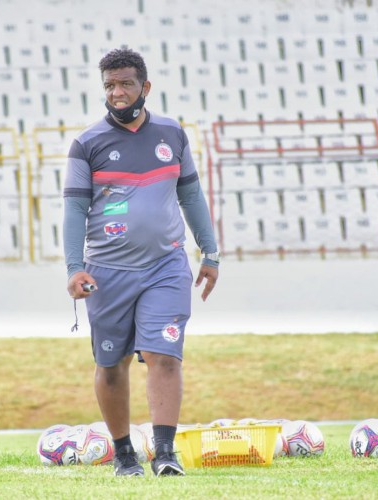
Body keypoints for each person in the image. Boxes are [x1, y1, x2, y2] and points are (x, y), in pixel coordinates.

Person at [63, 47, 219, 477]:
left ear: (145, 87)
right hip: (107, 273)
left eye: (125, 83)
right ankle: (125, 455)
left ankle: (166, 454)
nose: (116, 92)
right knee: (111, 364)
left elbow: (190, 195)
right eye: (109, 85)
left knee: (164, 354)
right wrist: (74, 268)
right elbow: (75, 210)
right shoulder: (87, 144)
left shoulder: (173, 134)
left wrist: (210, 252)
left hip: (166, 266)